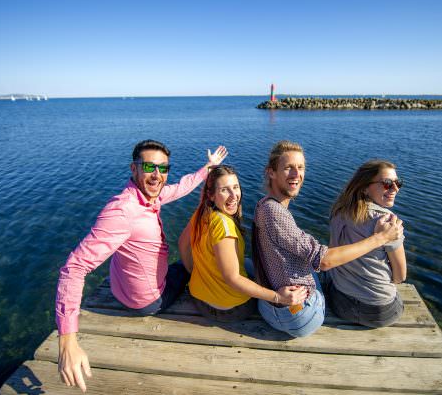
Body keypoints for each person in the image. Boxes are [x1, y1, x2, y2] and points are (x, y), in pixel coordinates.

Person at [56, 140, 228, 392]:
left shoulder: (147, 197)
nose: (157, 175)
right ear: (133, 168)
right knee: (190, 266)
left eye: (163, 168)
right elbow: (73, 268)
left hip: (119, 289)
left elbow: (180, 187)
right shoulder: (123, 211)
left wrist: (208, 168)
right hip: (146, 301)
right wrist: (68, 341)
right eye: (149, 167)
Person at [252, 140, 403, 337]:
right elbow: (324, 261)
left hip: (279, 306)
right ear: (271, 172)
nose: (297, 175)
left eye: (301, 168)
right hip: (301, 315)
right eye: (289, 168)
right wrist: (380, 238)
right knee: (324, 272)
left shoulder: (263, 204)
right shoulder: (275, 213)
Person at [178, 165, 307, 322]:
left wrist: (194, 271)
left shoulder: (201, 212)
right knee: (272, 283)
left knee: (250, 265)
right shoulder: (224, 227)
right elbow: (232, 278)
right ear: (211, 195)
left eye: (235, 187)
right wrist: (278, 297)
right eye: (224, 190)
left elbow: (182, 243)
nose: (234, 196)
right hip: (229, 309)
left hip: (199, 297)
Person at [326, 160, 406, 328]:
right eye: (387, 184)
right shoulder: (389, 224)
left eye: (398, 183)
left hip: (342, 304)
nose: (395, 189)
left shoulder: (338, 211)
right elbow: (400, 277)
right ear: (364, 187)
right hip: (380, 313)